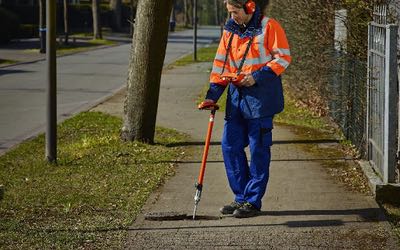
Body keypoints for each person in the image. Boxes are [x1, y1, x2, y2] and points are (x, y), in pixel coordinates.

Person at [198, 0, 291, 218]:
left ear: (249, 7)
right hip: (236, 98)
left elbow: (284, 57)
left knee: (258, 150)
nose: (232, 17)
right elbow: (221, 64)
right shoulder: (229, 31)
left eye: (235, 12)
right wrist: (212, 96)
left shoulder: (269, 26)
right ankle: (241, 197)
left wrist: (256, 77)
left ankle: (252, 201)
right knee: (229, 146)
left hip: (261, 99)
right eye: (229, 13)